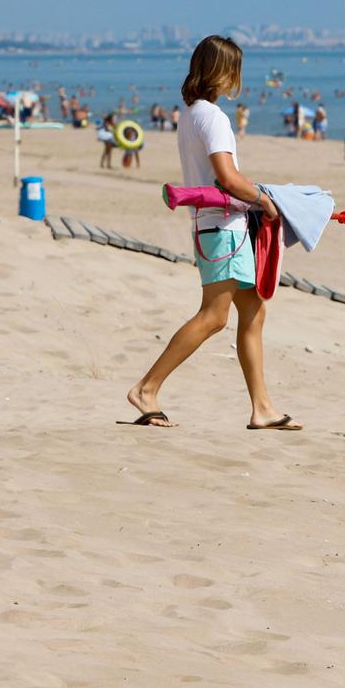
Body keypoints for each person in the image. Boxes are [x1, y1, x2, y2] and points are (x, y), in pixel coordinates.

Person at [126, 35, 299, 431]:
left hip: (211, 226)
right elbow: (227, 177)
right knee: (214, 317)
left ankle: (263, 408)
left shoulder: (189, 114)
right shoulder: (213, 117)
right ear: (224, 71)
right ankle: (146, 388)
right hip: (224, 228)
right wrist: (265, 200)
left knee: (253, 312)